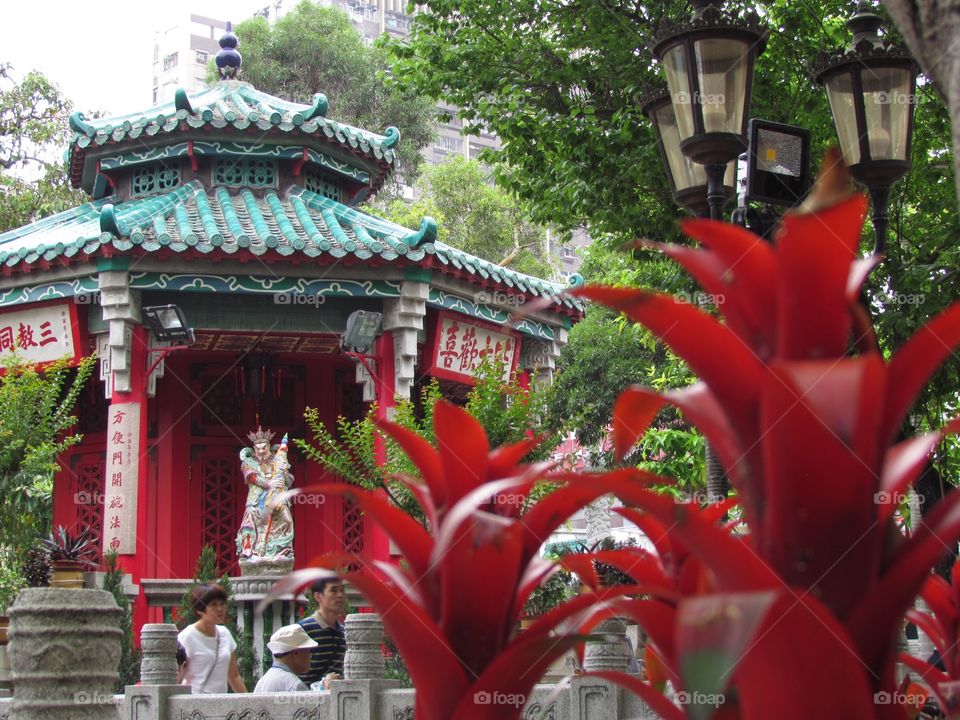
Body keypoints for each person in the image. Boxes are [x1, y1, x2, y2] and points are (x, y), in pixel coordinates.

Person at [236, 427, 294, 560]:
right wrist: (269, 483)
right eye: (258, 448)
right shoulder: (248, 463)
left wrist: (283, 475)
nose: (261, 451)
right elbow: (251, 477)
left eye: (264, 447)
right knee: (249, 518)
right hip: (256, 501)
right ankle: (248, 548)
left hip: (277, 499)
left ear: (269, 446)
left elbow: (289, 481)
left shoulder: (278, 459)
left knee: (286, 519)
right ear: (254, 448)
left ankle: (283, 548)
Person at [177, 584, 247, 694]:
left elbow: (234, 676)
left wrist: (249, 703)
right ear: (200, 610)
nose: (220, 609)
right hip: (194, 705)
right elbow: (177, 676)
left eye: (222, 604)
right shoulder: (187, 637)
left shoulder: (225, 634)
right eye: (213, 605)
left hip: (220, 704)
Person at [297, 576, 347, 688]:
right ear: (318, 596)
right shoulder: (303, 629)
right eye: (333, 590)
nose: (340, 595)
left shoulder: (344, 633)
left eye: (342, 590)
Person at [253, 624, 318, 693]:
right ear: (296, 653)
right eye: (308, 651)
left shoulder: (262, 682)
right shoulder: (295, 685)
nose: (310, 656)